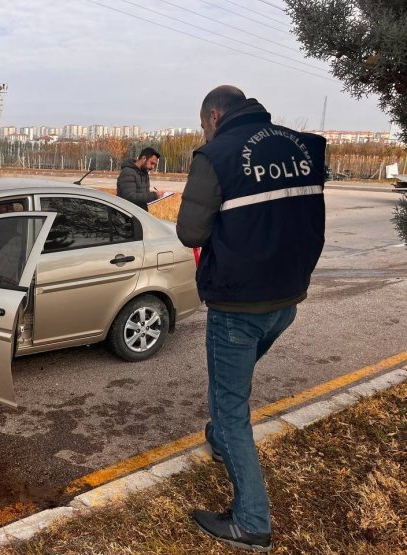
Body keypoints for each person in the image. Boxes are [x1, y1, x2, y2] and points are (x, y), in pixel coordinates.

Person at [176, 85, 326, 552]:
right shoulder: (305, 145)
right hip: (288, 298)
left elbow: (189, 231)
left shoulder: (215, 154)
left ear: (215, 115)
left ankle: (251, 522)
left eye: (204, 124)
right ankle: (220, 440)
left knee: (230, 406)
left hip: (238, 304)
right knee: (231, 388)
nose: (204, 130)